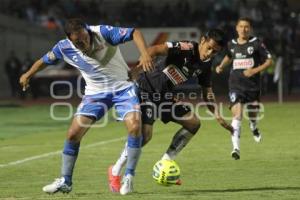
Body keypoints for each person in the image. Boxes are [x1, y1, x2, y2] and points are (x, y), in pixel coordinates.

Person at [19, 18, 153, 195]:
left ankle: (128, 177)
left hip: (123, 88)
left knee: (135, 127)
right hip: (95, 94)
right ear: (69, 39)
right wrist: (28, 74)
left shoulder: (102, 32)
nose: (84, 43)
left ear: (87, 31)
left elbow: (135, 32)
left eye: (85, 38)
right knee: (73, 134)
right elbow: (44, 60)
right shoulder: (63, 47)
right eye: (78, 42)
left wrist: (144, 54)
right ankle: (65, 181)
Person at [108, 29, 233, 192]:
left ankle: (165, 162)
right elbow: (155, 50)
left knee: (193, 123)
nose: (210, 54)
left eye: (215, 52)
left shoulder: (206, 65)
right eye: (209, 48)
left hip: (165, 97)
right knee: (145, 136)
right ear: (202, 41)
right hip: (147, 89)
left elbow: (207, 90)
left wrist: (217, 115)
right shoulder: (186, 47)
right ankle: (116, 170)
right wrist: (143, 60)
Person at [215, 17, 272, 160]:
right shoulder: (231, 44)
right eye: (241, 26)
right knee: (237, 115)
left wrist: (254, 70)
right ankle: (236, 148)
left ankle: (253, 126)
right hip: (235, 86)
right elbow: (229, 56)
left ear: (250, 28)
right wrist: (221, 66)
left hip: (253, 86)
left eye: (246, 27)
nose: (243, 29)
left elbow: (269, 61)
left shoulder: (256, 43)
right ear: (236, 28)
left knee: (252, 113)